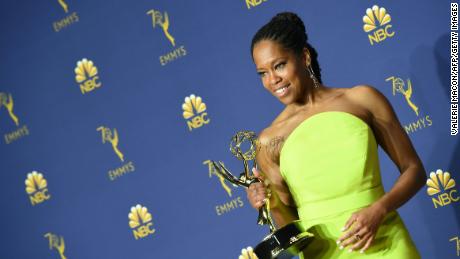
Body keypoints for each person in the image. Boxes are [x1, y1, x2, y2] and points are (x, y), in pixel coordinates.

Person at [246, 12, 426, 258]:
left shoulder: (362, 100)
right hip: (324, 253)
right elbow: (293, 234)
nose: (273, 80)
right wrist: (270, 202)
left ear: (304, 56)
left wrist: (379, 209)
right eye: (262, 73)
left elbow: (413, 169)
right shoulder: (268, 141)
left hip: (388, 244)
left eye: (279, 65)